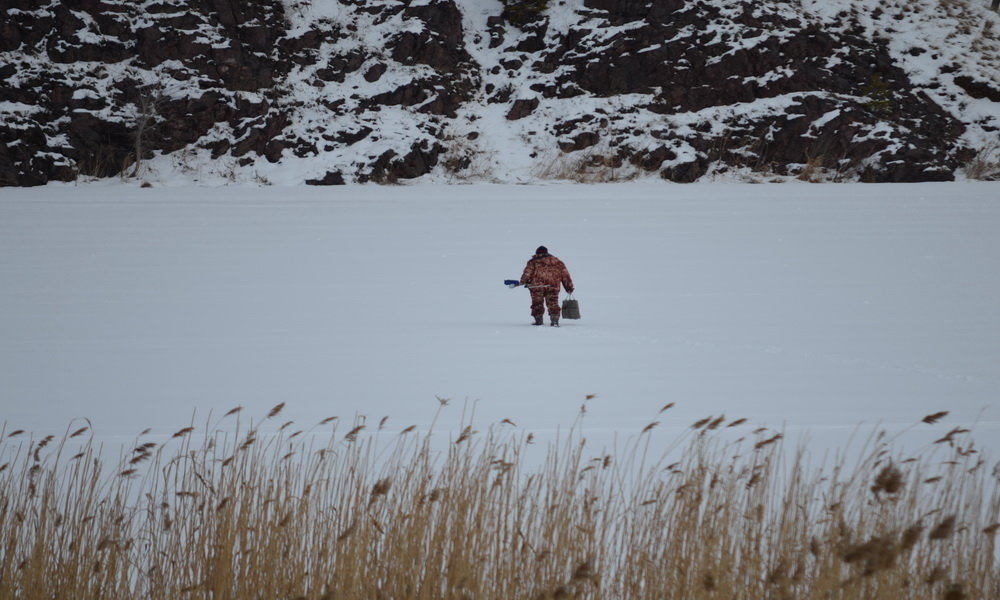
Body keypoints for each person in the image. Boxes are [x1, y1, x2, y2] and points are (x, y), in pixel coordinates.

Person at [519, 246, 574, 327]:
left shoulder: (533, 262)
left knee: (537, 303)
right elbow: (565, 275)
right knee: (553, 303)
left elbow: (527, 273)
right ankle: (554, 321)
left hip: (536, 287)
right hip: (553, 286)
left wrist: (522, 282)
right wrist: (569, 287)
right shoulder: (558, 262)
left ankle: (538, 321)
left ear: (537, 253)